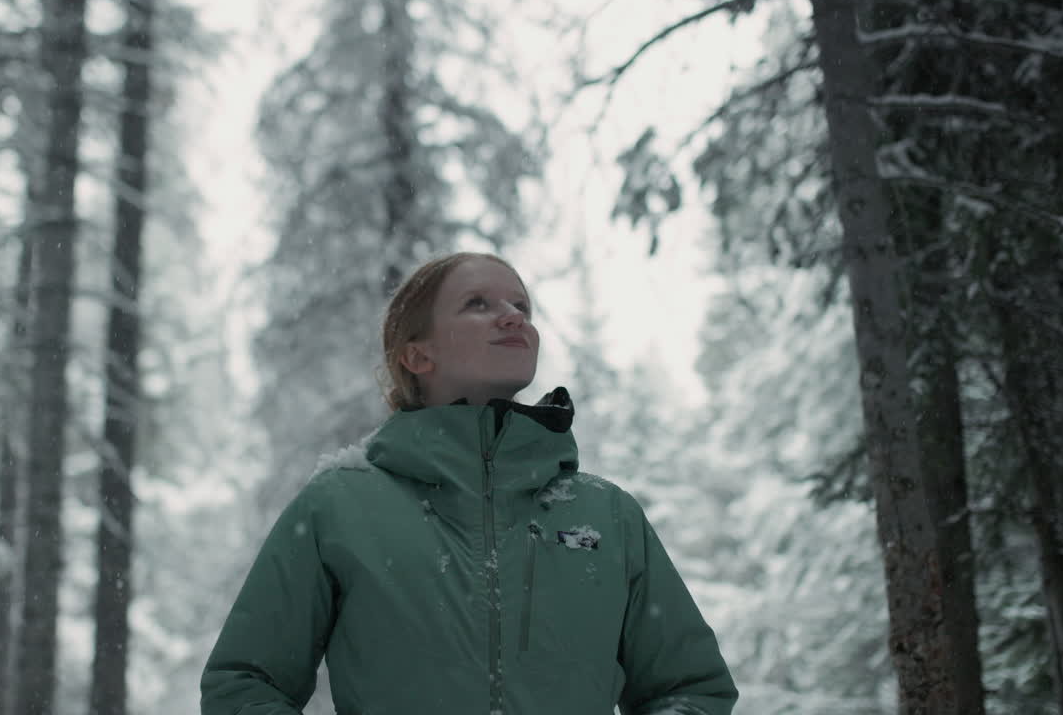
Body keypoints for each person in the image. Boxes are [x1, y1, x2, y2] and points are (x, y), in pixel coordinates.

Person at [201, 252, 737, 715]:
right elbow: (245, 683)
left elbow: (689, 687)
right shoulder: (340, 504)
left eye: (522, 306)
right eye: (478, 304)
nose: (512, 316)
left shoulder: (607, 514)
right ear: (418, 354)